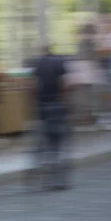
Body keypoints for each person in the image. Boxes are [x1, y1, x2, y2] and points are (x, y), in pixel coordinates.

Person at [31, 44, 71, 190]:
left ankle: (39, 169)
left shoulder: (39, 63)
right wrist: (66, 103)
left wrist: (36, 104)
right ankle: (56, 178)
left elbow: (34, 86)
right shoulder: (59, 62)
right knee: (57, 141)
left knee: (44, 138)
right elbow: (64, 84)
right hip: (56, 104)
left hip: (43, 105)